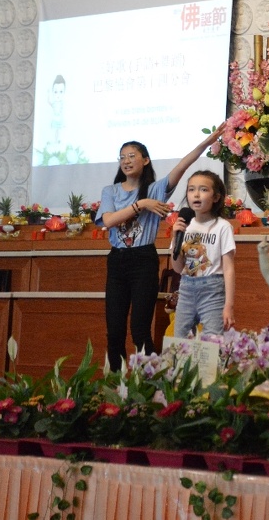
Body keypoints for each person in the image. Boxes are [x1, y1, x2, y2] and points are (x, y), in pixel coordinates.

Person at [97, 127, 223, 372]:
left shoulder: (156, 189)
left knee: (140, 329)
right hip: (117, 260)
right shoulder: (110, 191)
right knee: (114, 330)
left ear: (145, 160)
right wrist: (142, 204)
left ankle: (149, 381)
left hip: (143, 260)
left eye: (132, 156)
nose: (126, 161)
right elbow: (109, 220)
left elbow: (184, 165)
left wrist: (209, 140)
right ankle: (115, 383)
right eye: (122, 157)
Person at [169, 170, 237, 338]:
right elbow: (177, 268)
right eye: (191, 189)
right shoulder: (184, 226)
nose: (196, 194)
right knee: (179, 342)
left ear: (216, 197)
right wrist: (175, 238)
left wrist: (229, 305)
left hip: (212, 289)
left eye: (203, 189)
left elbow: (228, 269)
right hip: (186, 288)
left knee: (212, 342)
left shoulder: (222, 226)